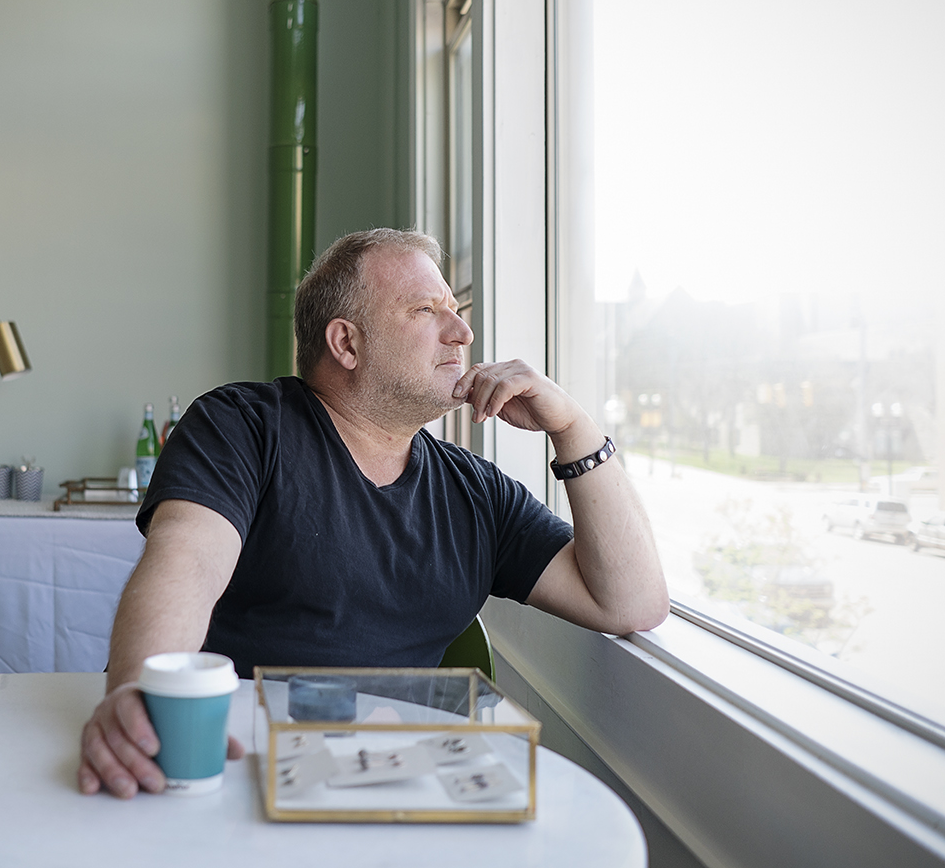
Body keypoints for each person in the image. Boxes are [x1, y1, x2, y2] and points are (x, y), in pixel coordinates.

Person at [78, 228, 667, 799]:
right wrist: (139, 700)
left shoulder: (476, 491)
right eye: (426, 310)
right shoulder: (242, 426)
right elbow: (187, 561)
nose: (461, 332)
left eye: (456, 310)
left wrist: (573, 428)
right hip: (221, 768)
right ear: (347, 343)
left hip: (386, 785)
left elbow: (631, 602)